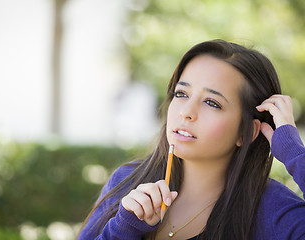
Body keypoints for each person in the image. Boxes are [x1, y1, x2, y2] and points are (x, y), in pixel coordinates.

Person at [77, 39, 305, 239]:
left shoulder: (275, 212)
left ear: (246, 132)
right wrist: (124, 228)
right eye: (181, 94)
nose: (186, 111)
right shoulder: (126, 182)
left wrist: (294, 153)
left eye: (212, 103)